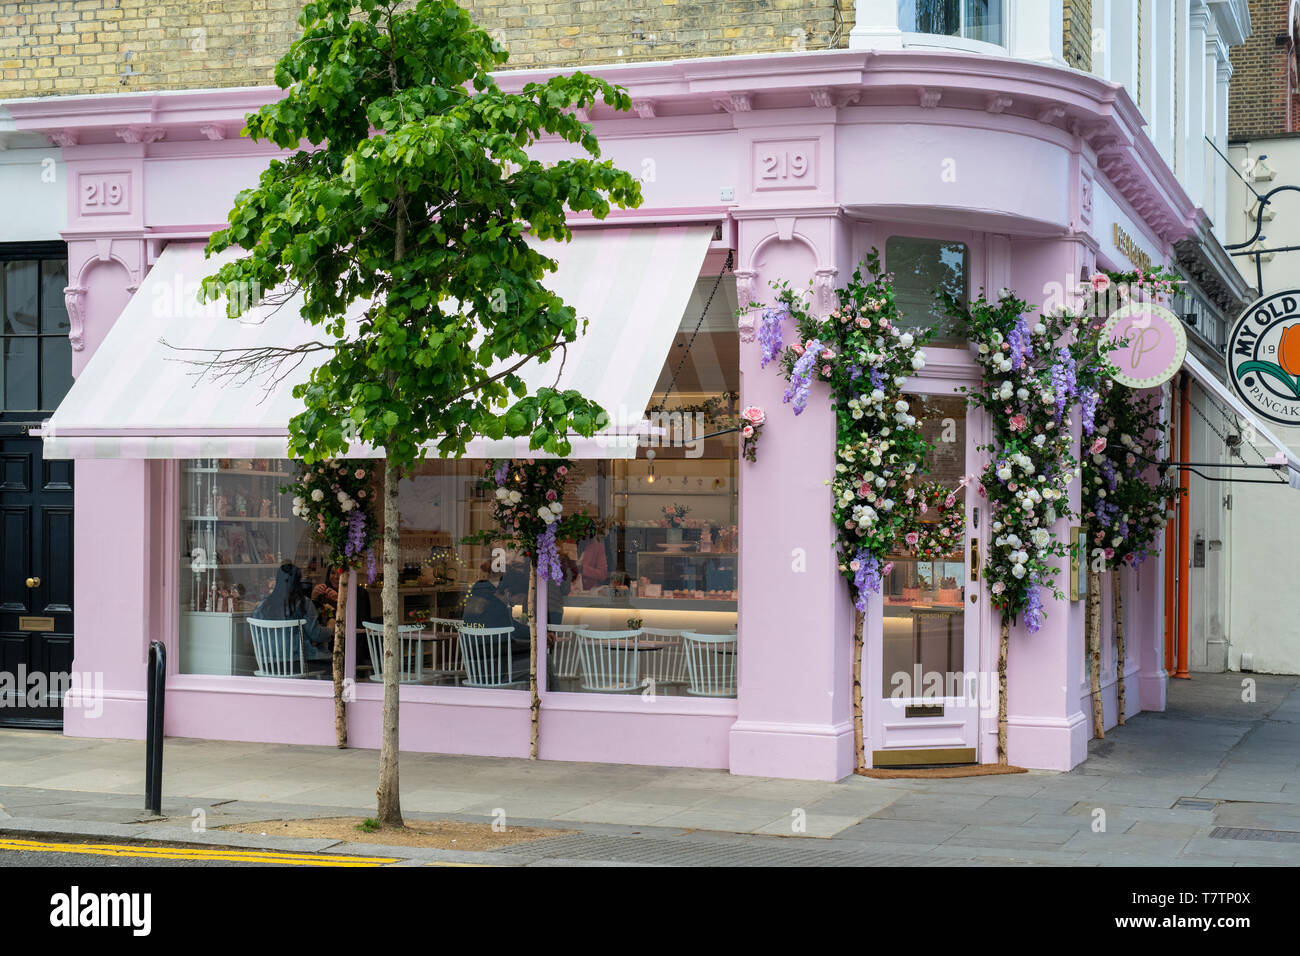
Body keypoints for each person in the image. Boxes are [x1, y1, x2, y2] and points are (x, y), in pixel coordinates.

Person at [252, 562, 334, 667]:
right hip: (296, 662)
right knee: (338, 661)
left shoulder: (262, 606)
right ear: (298, 582)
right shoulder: (303, 603)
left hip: (267, 663)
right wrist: (330, 628)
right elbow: (316, 635)